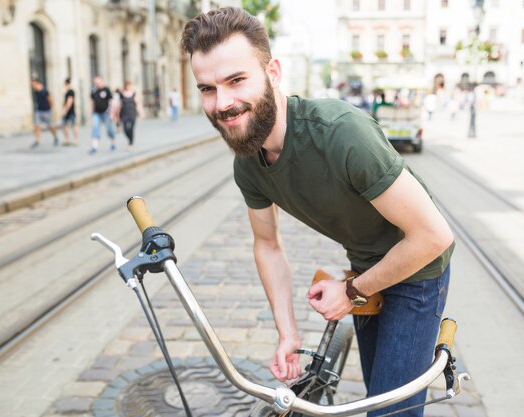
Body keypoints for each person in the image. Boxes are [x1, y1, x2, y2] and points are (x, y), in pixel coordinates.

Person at [180, 8, 454, 417]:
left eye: (236, 80)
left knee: (390, 411)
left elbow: (434, 236)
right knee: (376, 398)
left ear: (272, 71)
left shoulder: (343, 134)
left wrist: (351, 291)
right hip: (363, 268)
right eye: (207, 88)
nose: (223, 103)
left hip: (418, 271)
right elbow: (268, 245)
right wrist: (287, 332)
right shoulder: (248, 165)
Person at [113, 81, 144, 150]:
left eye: (130, 86)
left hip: (132, 113)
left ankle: (131, 143)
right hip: (124, 114)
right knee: (125, 129)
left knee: (131, 129)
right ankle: (130, 140)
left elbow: (137, 104)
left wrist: (141, 112)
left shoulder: (133, 94)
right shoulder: (121, 94)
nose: (129, 87)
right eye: (128, 86)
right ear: (125, 86)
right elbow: (117, 105)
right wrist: (114, 115)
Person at [89, 75, 116, 154]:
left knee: (109, 129)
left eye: (98, 82)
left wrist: (112, 113)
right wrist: (91, 112)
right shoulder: (93, 90)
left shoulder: (107, 90)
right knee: (95, 128)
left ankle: (113, 144)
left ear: (102, 81)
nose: (97, 84)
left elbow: (111, 102)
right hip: (96, 113)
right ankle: (94, 147)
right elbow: (92, 102)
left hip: (106, 113)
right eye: (95, 82)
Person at [30, 78, 59, 148]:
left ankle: (55, 137)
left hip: (46, 111)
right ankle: (37, 141)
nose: (32, 85)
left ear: (37, 83)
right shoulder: (35, 91)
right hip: (38, 111)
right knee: (37, 126)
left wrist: (50, 109)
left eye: (33, 83)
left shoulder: (44, 91)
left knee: (50, 126)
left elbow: (50, 100)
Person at [60, 78, 79, 146]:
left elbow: (69, 101)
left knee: (72, 125)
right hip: (70, 111)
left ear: (66, 83)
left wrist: (65, 111)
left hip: (70, 111)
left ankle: (74, 139)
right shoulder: (69, 91)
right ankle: (68, 139)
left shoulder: (70, 91)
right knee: (66, 125)